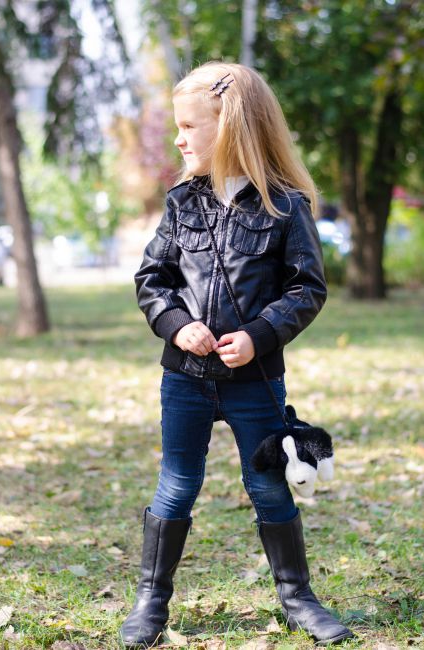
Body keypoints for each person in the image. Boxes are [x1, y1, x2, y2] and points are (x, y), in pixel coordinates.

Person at [121, 61, 353, 647]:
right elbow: (152, 280)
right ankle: (151, 601)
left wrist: (259, 335)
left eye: (189, 126)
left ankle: (298, 598)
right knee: (176, 485)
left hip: (256, 381)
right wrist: (177, 327)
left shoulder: (286, 205)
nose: (179, 139)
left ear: (230, 127)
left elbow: (306, 288)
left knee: (269, 485)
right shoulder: (182, 202)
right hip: (186, 379)